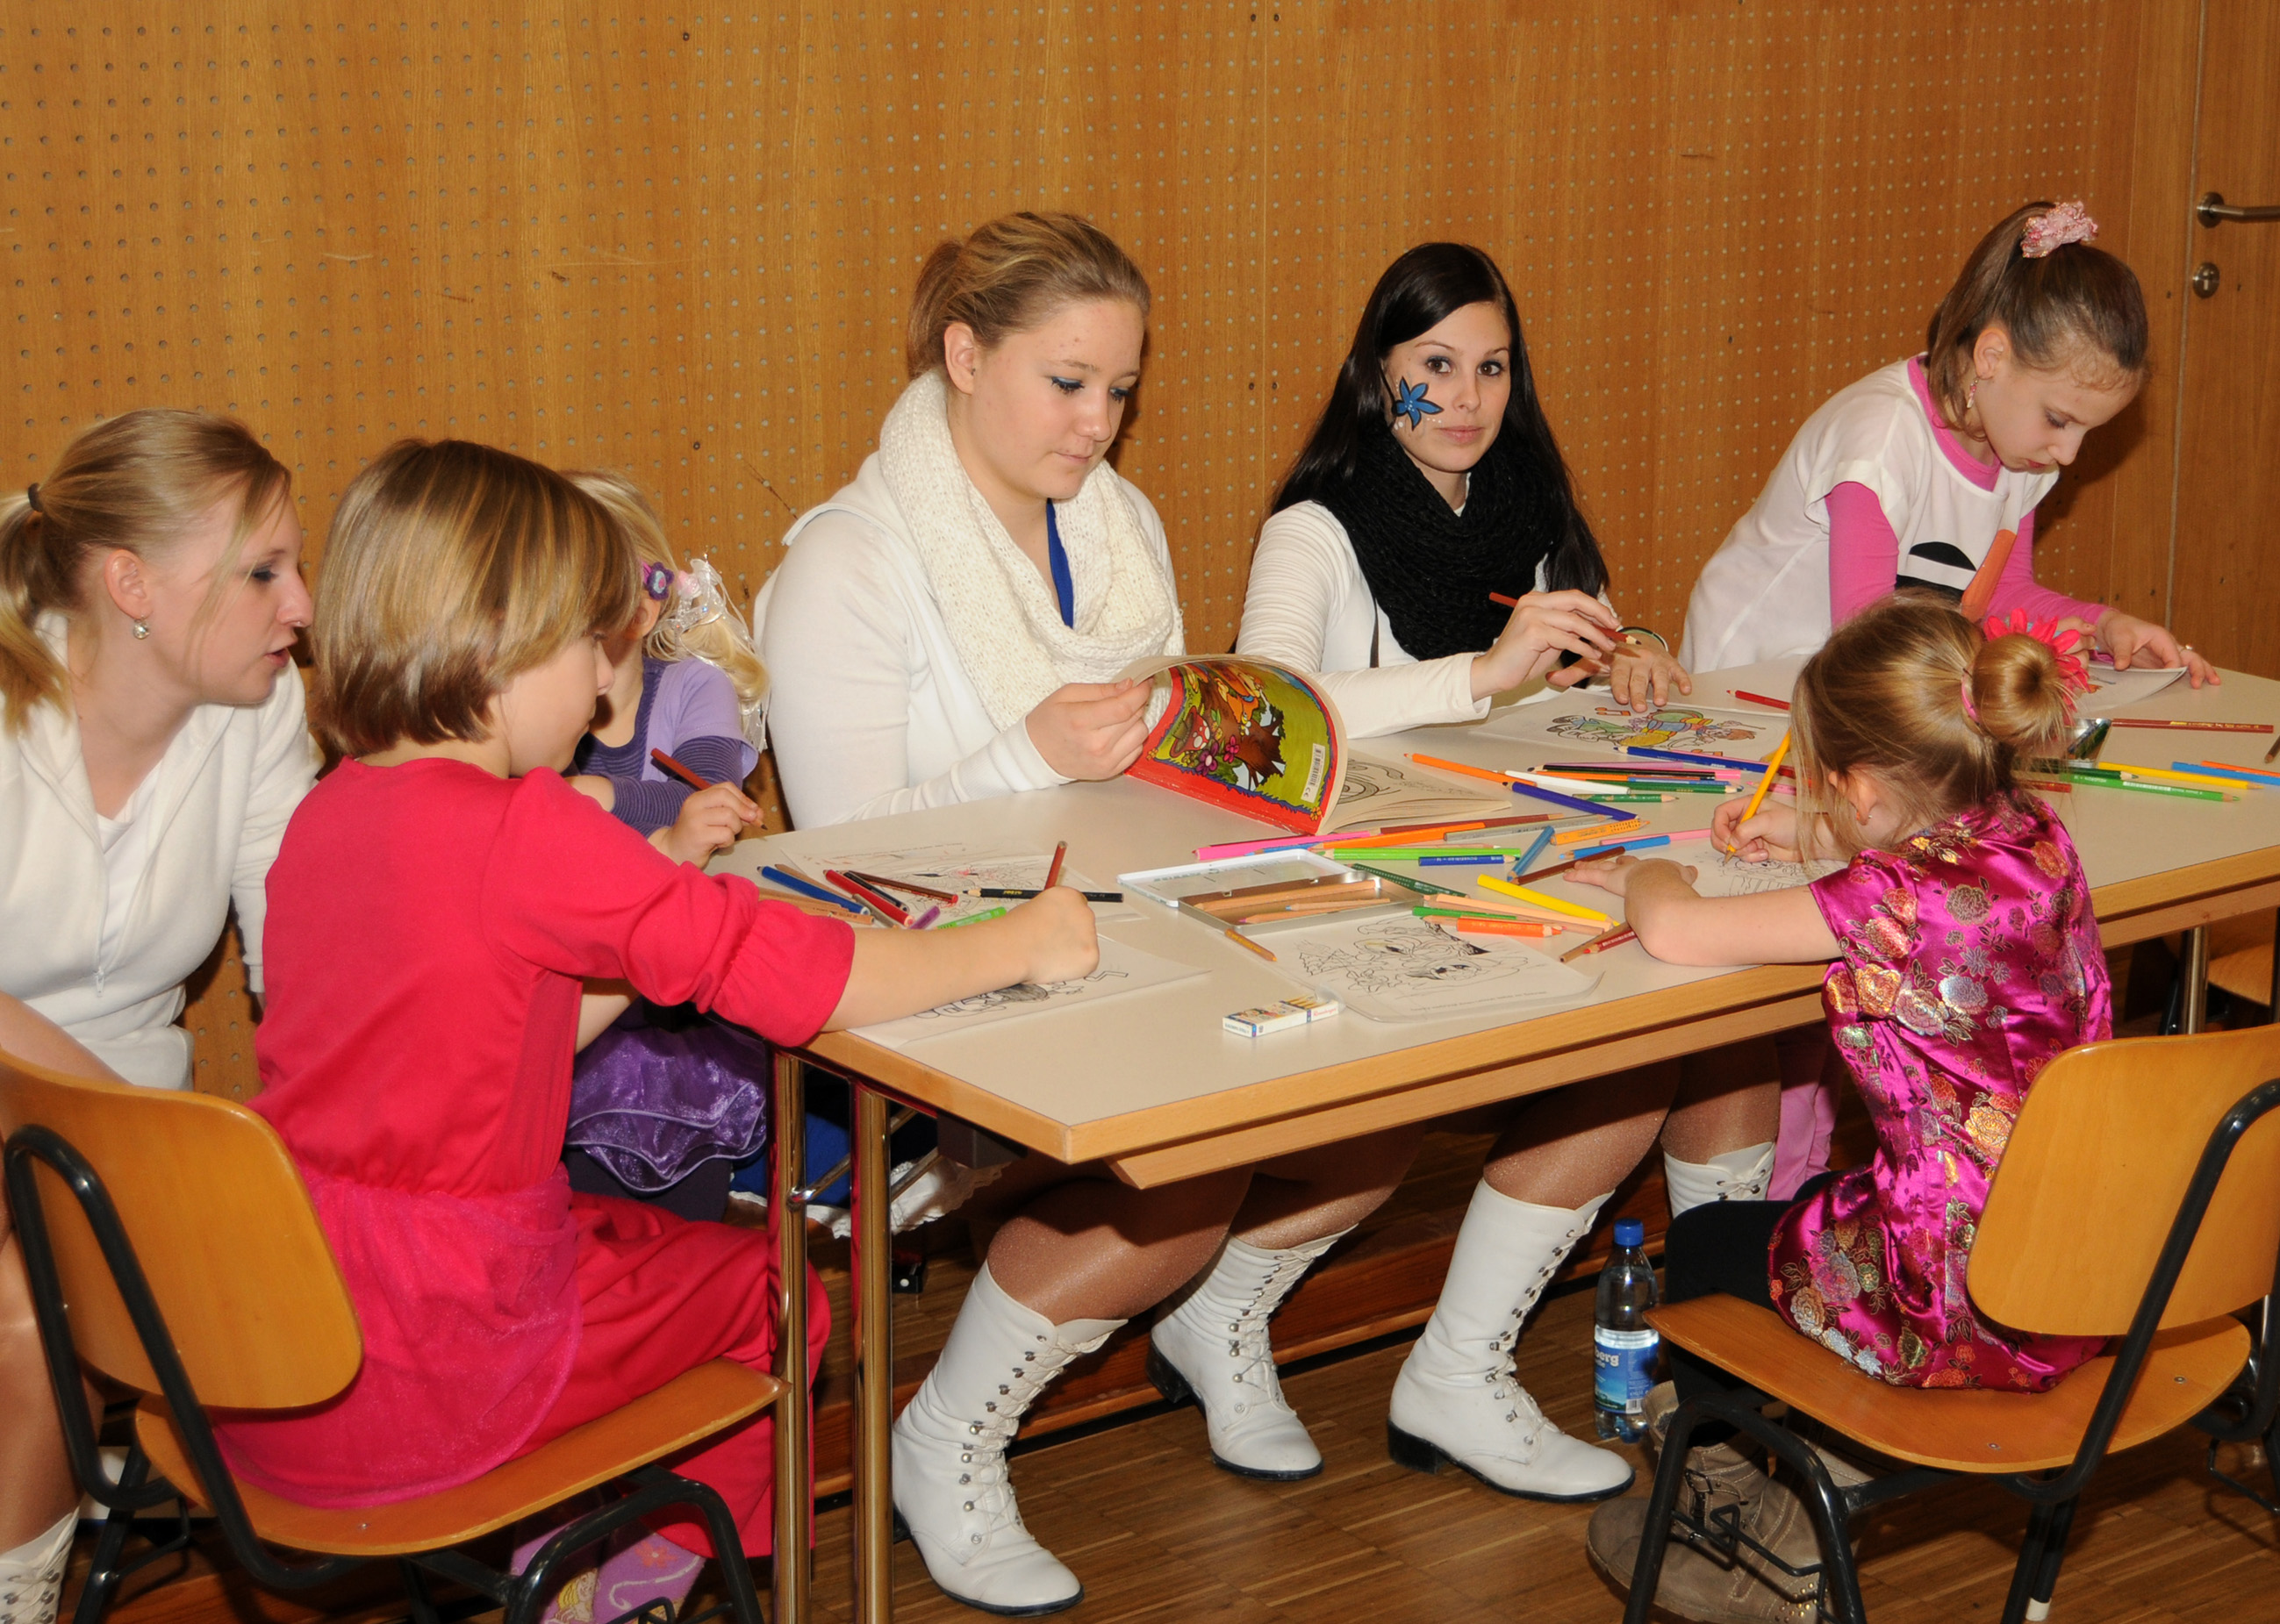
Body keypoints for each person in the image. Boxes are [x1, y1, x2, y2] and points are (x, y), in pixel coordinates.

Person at [211, 439, 1101, 1624]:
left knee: (649, 1242)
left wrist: (646, 911)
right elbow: (799, 975)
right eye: (587, 645)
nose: (600, 686)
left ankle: (570, 1546)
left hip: (278, 1348)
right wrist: (1018, 942)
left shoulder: (327, 815)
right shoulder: (527, 828)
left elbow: (489, 1021)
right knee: (778, 1293)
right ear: (499, 643)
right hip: (443, 1367)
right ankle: (612, 1590)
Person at [760, 211, 1411, 1614]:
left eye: (1119, 388)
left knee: (1383, 1082)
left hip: (1120, 927)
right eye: (1066, 383)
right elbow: (840, 866)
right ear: (961, 356)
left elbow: (1153, 776)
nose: (1098, 423)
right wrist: (1029, 753)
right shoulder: (845, 565)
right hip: (928, 995)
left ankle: (1217, 1317)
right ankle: (943, 1435)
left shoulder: (1120, 528)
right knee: (1182, 1172)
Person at [1232, 242, 1779, 1506]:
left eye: (1492, 367)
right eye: (1434, 367)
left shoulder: (1522, 499)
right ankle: (1455, 1367)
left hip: (1510, 857)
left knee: (1726, 1020)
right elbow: (1270, 717)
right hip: (1359, 887)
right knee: (1641, 1034)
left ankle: (1720, 1352)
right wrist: (1483, 673)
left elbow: (1581, 652)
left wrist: (1631, 648)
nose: (1466, 398)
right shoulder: (1314, 529)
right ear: (1377, 375)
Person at [1580, 595, 2110, 1621]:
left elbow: (1678, 932)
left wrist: (1648, 874)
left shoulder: (1886, 899)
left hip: (1960, 1294)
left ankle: (1752, 1540)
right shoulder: (2035, 832)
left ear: (1863, 790)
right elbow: (1930, 869)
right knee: (1800, 1216)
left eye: (1824, 785)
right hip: (2084, 1262)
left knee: (1713, 1249)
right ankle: (1799, 1477)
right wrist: (1807, 831)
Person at [0, 411, 318, 1624]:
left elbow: (303, 963)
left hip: (112, 1143)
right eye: (262, 573)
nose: (300, 607)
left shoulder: (262, 708)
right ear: (130, 586)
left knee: (40, 1301)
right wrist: (137, 1138)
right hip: (101, 1128)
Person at [1681, 200, 2212, 686]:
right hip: (1748, 682)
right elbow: (1866, 639)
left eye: (2086, 432)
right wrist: (2020, 653)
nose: (2068, 454)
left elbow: (2001, 596)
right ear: (1991, 357)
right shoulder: (1882, 441)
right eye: (2057, 419)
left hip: (1863, 684)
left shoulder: (2021, 455)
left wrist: (2106, 628)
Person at [560, 470, 773, 1221]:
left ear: (647, 599)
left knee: (676, 1229)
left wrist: (600, 797)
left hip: (677, 1014)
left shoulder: (690, 686)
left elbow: (710, 797)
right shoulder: (533, 706)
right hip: (578, 999)